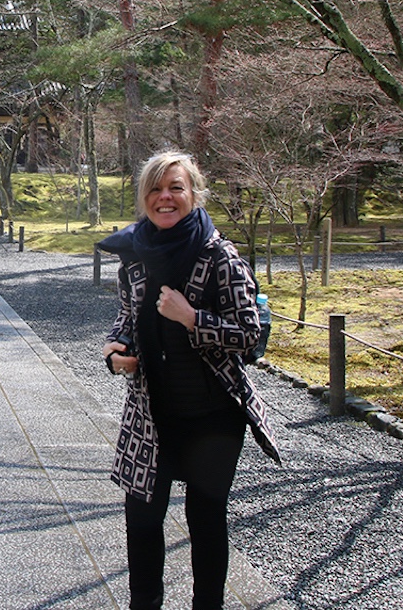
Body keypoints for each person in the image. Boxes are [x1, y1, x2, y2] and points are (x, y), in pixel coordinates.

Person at [97, 150, 280, 610]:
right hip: (150, 413)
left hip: (211, 415)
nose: (165, 197)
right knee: (141, 520)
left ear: (194, 194)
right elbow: (126, 317)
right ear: (144, 198)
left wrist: (193, 318)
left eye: (175, 188)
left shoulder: (220, 256)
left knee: (206, 518)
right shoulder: (134, 254)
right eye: (156, 189)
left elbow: (249, 334)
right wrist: (116, 349)